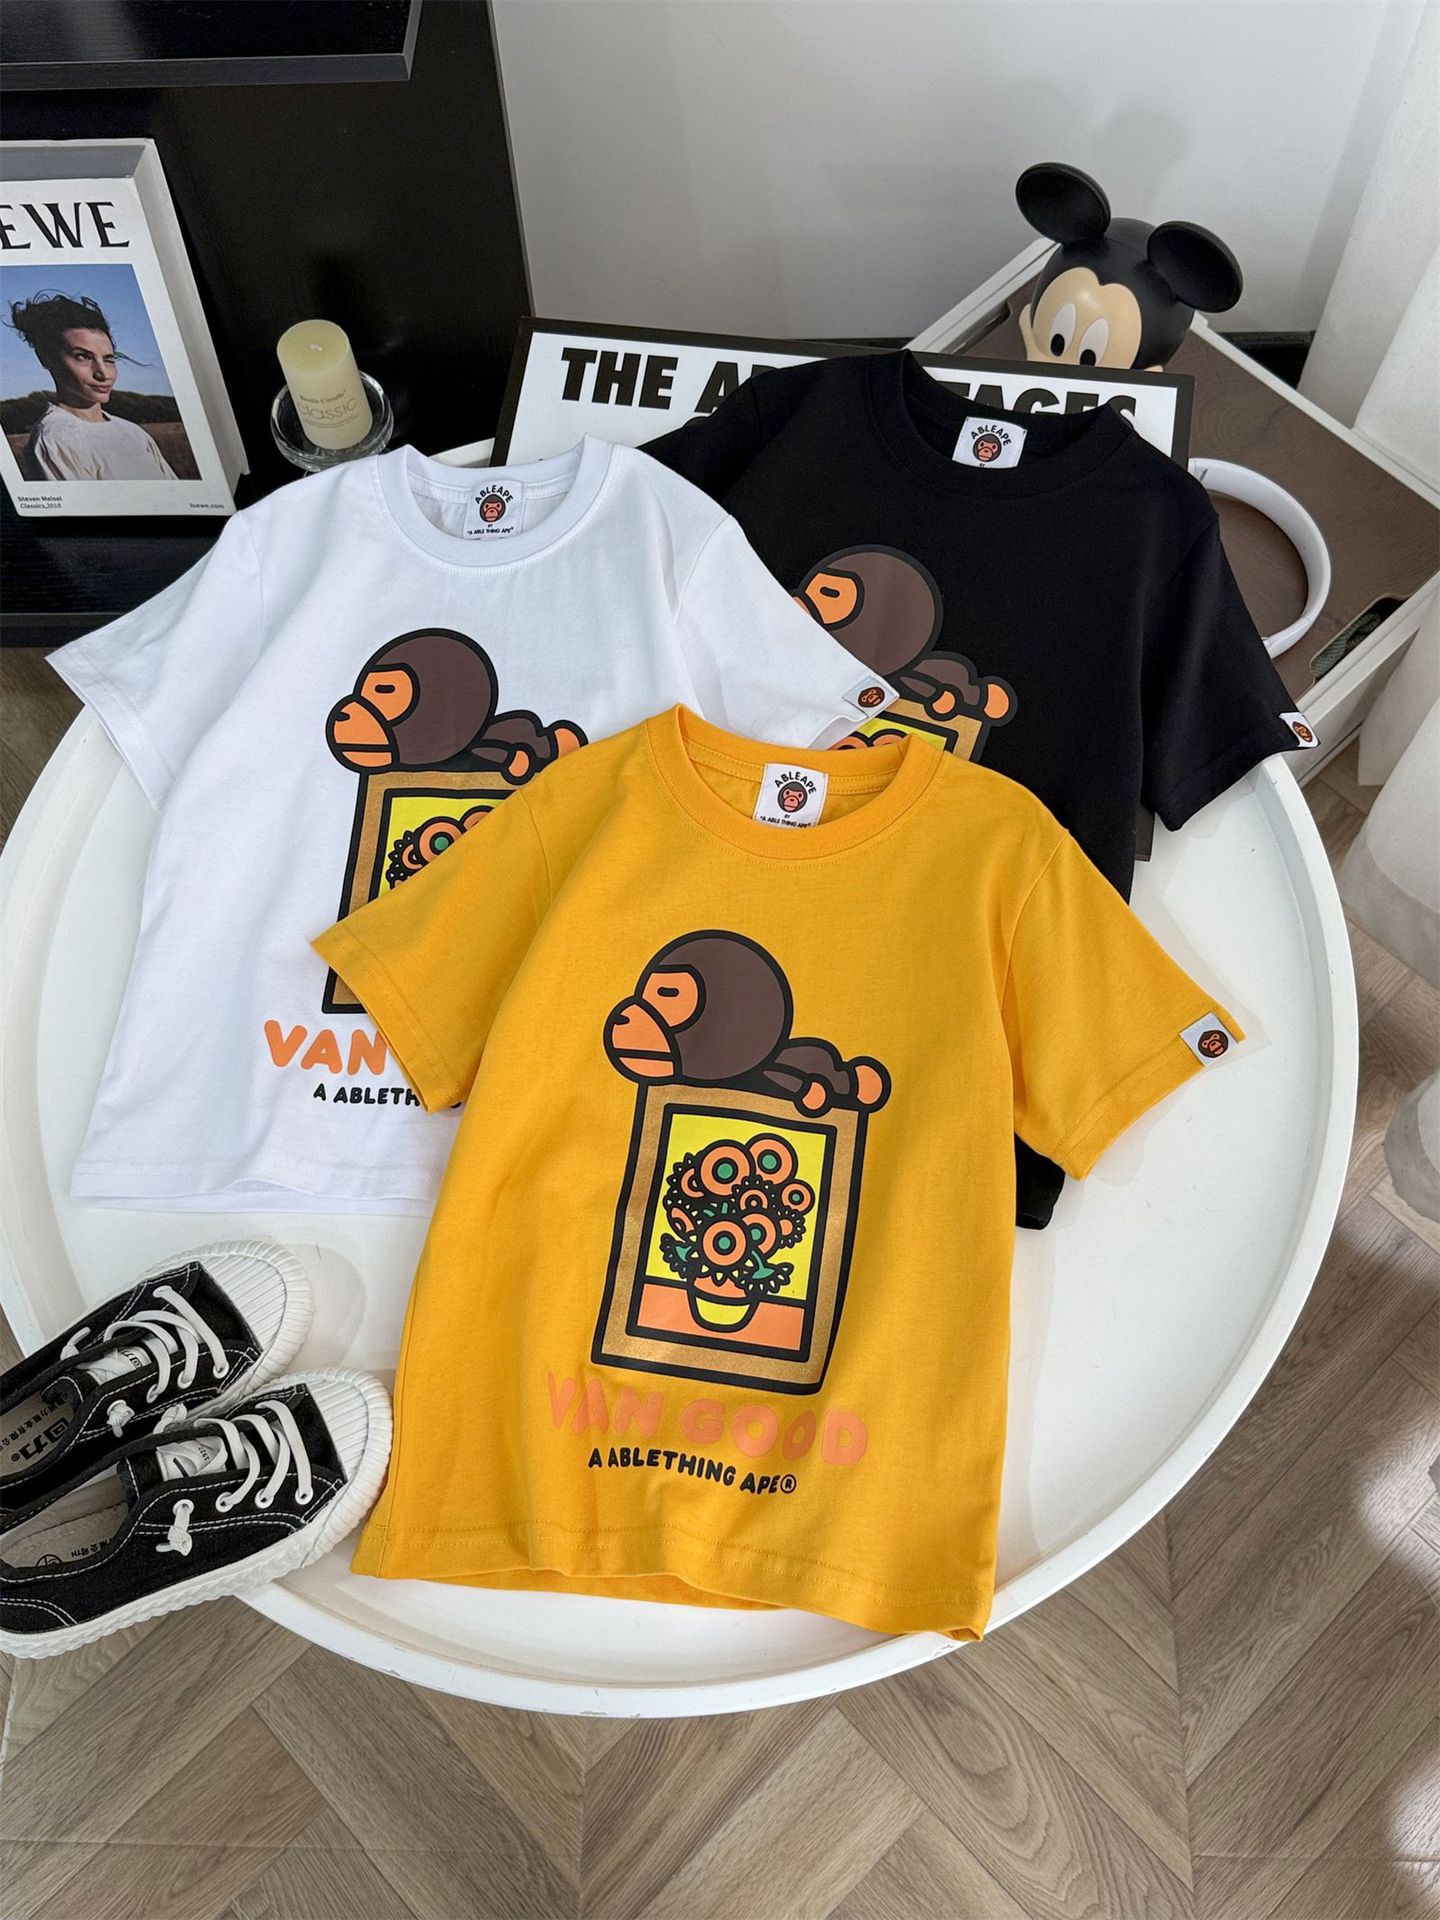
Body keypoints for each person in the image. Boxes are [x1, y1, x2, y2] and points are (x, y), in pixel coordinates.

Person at [9, 291, 176, 481]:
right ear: (46, 358)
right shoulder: (53, 439)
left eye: (109, 359)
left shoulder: (133, 433)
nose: (103, 373)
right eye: (83, 357)